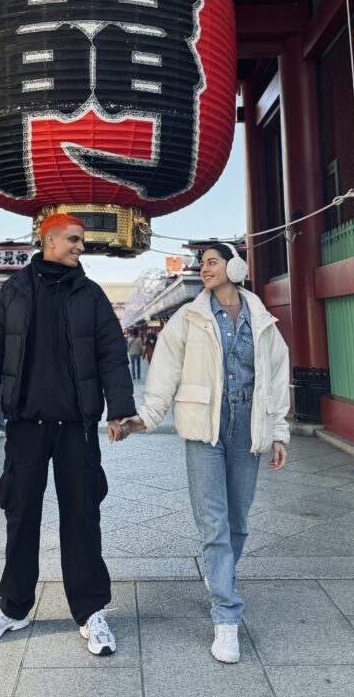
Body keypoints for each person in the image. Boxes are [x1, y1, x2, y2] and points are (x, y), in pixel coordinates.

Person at [0, 213, 136, 655]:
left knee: (82, 516)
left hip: (76, 428)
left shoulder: (91, 295)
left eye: (82, 241)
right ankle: (13, 607)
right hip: (25, 425)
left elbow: (112, 356)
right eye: (74, 240)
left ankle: (90, 611)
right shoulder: (15, 290)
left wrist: (119, 410)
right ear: (50, 241)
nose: (81, 247)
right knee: (20, 515)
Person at [120, 243, 289, 665]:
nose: (204, 268)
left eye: (213, 261)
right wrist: (144, 417)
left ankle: (220, 580)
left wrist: (280, 430)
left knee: (238, 520)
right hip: (203, 428)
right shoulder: (188, 317)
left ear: (235, 267)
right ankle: (226, 614)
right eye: (203, 263)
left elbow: (276, 375)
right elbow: (164, 374)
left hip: (248, 424)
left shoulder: (263, 319)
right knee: (213, 521)